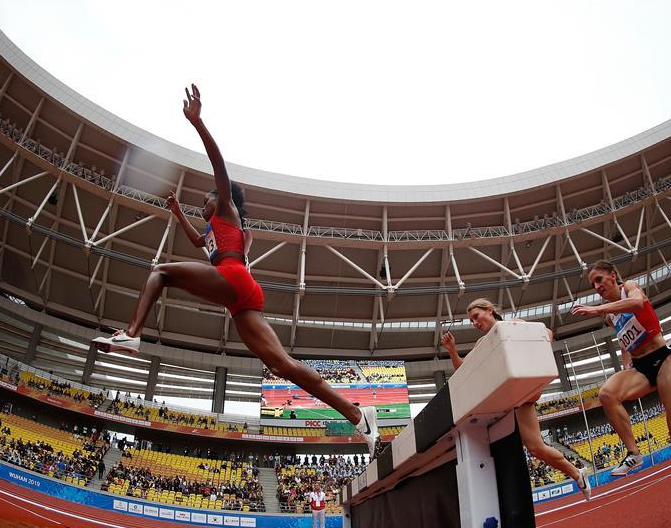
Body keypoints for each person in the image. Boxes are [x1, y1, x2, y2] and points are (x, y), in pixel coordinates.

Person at [93, 85, 379, 456]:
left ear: (222, 199)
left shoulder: (227, 209)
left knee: (161, 272)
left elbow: (219, 166)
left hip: (234, 278)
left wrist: (198, 123)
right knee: (282, 365)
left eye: (205, 200)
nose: (203, 204)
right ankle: (358, 416)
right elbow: (197, 242)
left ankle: (132, 334)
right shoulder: (216, 229)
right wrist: (178, 213)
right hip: (242, 297)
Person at [572, 260, 671, 522]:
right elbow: (624, 341)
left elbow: (638, 304)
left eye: (599, 280)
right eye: (593, 284)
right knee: (607, 394)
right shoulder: (611, 317)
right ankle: (634, 454)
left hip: (661, 360)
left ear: (613, 276)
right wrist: (625, 366)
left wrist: (598, 309)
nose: (597, 287)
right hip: (640, 367)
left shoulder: (629, 287)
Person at [441, 298, 591, 500]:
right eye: (471, 321)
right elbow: (463, 369)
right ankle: (578, 474)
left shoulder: (514, 324)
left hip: (523, 391)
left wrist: (537, 357)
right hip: (508, 399)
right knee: (535, 447)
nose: (475, 323)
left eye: (476, 316)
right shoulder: (481, 343)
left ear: (490, 310)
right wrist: (452, 350)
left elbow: (547, 333)